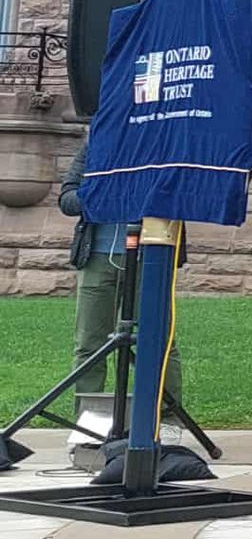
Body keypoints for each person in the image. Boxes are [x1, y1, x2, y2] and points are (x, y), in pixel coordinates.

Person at [58, 129, 185, 447]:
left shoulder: (165, 141)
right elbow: (67, 199)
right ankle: (89, 424)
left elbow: (180, 193)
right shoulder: (96, 143)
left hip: (150, 257)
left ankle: (166, 419)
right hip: (98, 256)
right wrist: (98, 192)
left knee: (158, 339)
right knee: (89, 343)